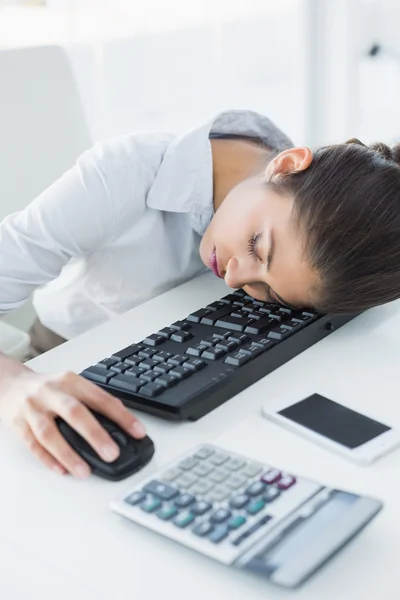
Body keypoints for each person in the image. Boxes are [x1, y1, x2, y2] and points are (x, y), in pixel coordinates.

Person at [1, 109, 400, 479]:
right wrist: (16, 385)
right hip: (63, 358)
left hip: (170, 378)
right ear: (286, 164)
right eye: (257, 246)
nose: (234, 278)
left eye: (268, 291)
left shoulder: (303, 216)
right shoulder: (123, 174)